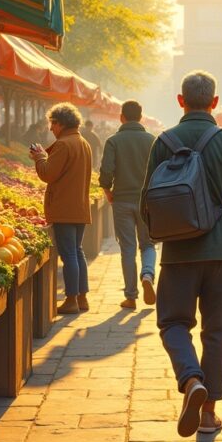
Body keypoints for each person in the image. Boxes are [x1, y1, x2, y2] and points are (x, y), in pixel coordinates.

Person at [141, 70, 222, 438]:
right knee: (217, 331)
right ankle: (208, 414)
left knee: (172, 323)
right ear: (215, 102)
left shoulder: (163, 142)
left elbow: (148, 201)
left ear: (180, 101)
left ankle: (191, 379)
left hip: (178, 253)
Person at [31, 104, 93, 315]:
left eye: (52, 124)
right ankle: (82, 298)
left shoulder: (64, 144)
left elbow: (48, 173)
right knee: (77, 251)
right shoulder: (82, 142)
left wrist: (40, 157)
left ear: (61, 123)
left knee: (69, 255)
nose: (50, 129)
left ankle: (71, 300)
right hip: (79, 207)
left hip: (64, 208)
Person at [99, 100, 157, 310]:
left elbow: (106, 170)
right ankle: (148, 274)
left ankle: (131, 296)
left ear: (121, 117)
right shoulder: (152, 140)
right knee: (148, 244)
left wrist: (108, 190)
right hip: (147, 202)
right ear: (141, 117)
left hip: (121, 200)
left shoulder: (113, 141)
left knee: (127, 248)